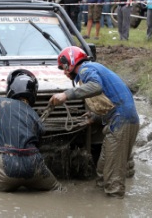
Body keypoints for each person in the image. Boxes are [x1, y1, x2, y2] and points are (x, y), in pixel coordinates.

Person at [49, 46, 139, 199]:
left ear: (71, 62)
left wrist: (65, 95)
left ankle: (114, 207)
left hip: (121, 121)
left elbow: (96, 86)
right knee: (103, 170)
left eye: (63, 67)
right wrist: (95, 117)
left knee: (113, 181)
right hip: (119, 119)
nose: (64, 72)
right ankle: (100, 206)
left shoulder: (86, 69)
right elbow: (111, 99)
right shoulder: (93, 68)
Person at [0, 69, 63, 192]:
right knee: (58, 191)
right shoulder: (34, 115)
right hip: (35, 167)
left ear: (11, 88)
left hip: (7, 167)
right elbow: (39, 139)